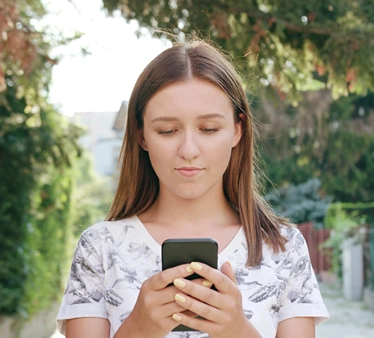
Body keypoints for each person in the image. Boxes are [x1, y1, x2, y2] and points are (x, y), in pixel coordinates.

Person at [57, 40, 329, 338]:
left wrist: (238, 331)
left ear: (238, 130)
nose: (188, 150)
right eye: (167, 131)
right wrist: (137, 329)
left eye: (209, 129)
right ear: (141, 135)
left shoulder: (284, 248)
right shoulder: (99, 248)